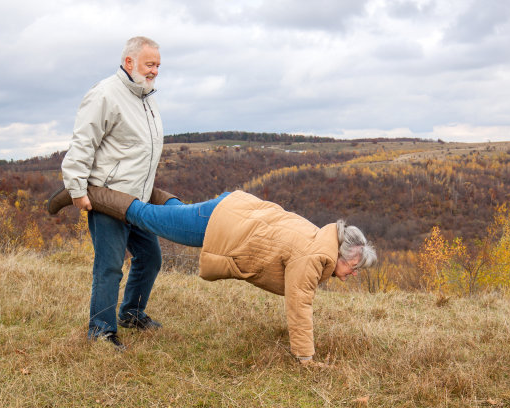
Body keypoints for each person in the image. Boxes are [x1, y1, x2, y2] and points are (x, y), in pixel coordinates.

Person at [48, 186, 377, 363]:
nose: (351, 275)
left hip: (232, 211)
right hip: (224, 224)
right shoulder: (314, 256)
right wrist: (306, 357)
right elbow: (299, 307)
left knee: (174, 215)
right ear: (342, 254)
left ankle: (142, 188)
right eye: (353, 267)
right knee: (147, 217)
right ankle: (84, 191)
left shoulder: (320, 237)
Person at [58, 36, 165, 350]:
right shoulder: (105, 93)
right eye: (150, 64)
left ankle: (131, 313)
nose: (155, 71)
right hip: (107, 199)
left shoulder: (146, 97)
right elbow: (82, 143)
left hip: (137, 202)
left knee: (150, 257)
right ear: (129, 62)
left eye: (158, 65)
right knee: (109, 265)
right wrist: (77, 189)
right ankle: (101, 331)